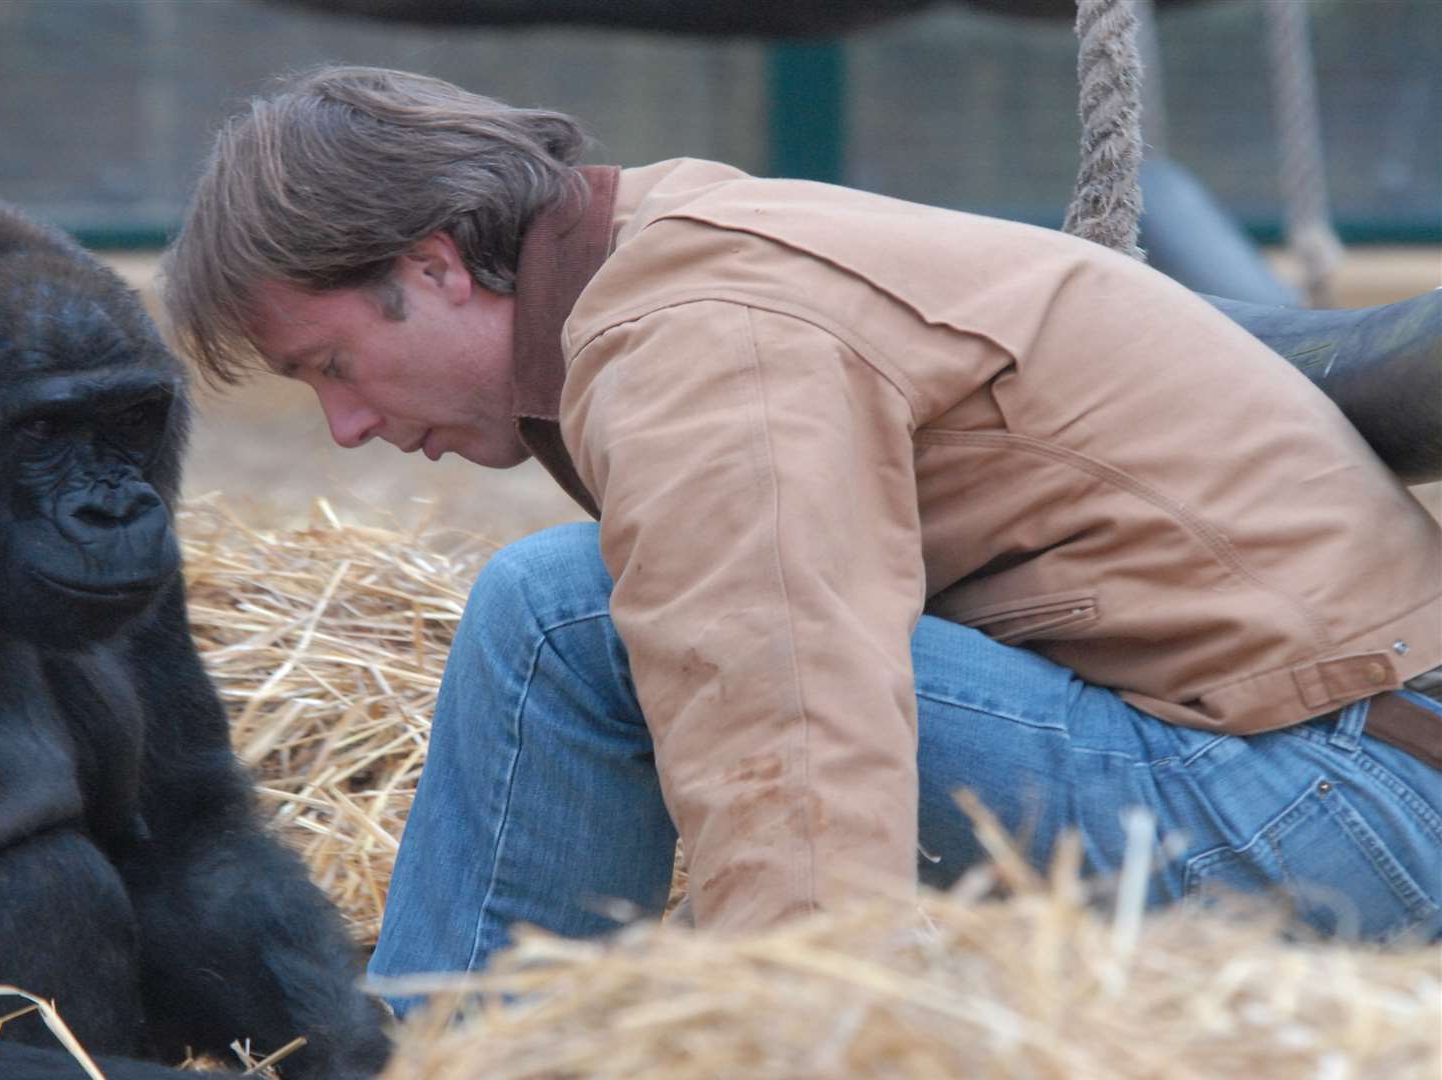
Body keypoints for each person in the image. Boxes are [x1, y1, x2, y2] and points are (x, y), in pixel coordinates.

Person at [159, 67, 1442, 1006]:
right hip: (1337, 772)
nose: (340, 426)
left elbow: (786, 713)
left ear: (438, 265)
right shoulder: (671, 247)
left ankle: (463, 1047)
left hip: (1332, 810)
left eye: (333, 364)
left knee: (560, 614)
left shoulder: (694, 336)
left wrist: (787, 1028)